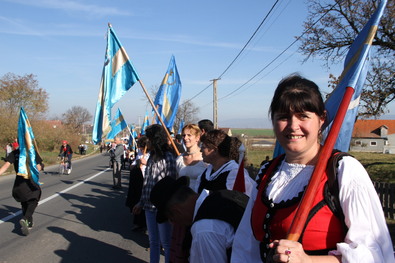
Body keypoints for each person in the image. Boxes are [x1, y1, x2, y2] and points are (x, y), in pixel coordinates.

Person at [231, 74, 395, 263]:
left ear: (321, 119)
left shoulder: (343, 171)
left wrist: (307, 260)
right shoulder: (268, 171)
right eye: (283, 117)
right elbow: (245, 245)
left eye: (303, 116)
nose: (293, 126)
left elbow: (372, 254)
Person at [150, 176, 249, 263]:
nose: (173, 223)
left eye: (171, 219)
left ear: (176, 211)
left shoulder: (203, 229)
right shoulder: (222, 195)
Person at [132, 124, 177, 263]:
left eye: (149, 139)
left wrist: (168, 208)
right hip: (148, 207)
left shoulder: (168, 157)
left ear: (156, 140)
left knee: (167, 243)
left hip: (162, 208)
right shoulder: (151, 157)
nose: (147, 143)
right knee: (153, 242)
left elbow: (171, 184)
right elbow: (147, 183)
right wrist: (141, 202)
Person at [196, 129, 256, 197]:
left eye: (203, 147)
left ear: (215, 150)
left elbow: (245, 201)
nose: (201, 150)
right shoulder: (206, 172)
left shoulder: (234, 174)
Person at [0, 144, 43, 236]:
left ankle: (29, 223)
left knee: (24, 202)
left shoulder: (14, 153)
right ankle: (25, 218)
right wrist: (38, 165)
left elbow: (5, 167)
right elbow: (38, 168)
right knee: (34, 200)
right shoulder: (32, 152)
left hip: (19, 183)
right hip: (30, 181)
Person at [125, 135, 149, 231]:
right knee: (136, 200)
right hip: (138, 180)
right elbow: (134, 164)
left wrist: (146, 163)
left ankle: (147, 223)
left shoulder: (152, 154)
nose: (140, 149)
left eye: (141, 147)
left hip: (146, 180)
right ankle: (138, 223)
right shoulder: (139, 153)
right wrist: (135, 164)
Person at [176, 124, 208, 192]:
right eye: (184, 135)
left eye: (189, 135)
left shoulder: (205, 158)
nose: (185, 138)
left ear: (197, 138)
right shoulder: (179, 159)